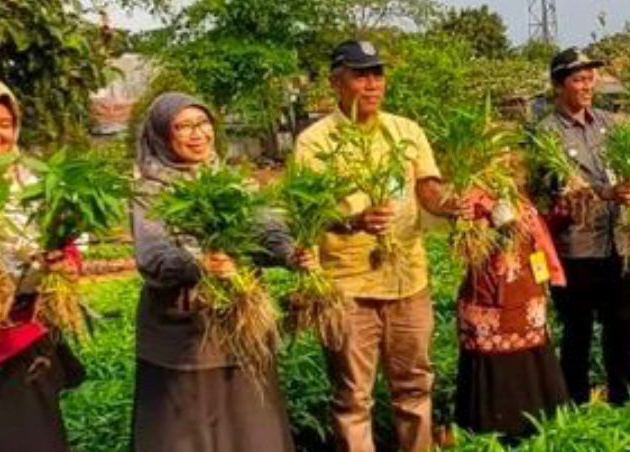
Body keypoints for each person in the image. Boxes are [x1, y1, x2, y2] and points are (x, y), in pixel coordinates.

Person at [293, 40, 464, 452]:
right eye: (360, 74)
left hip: (409, 281)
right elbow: (306, 215)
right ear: (337, 82)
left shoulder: (405, 130)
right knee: (353, 397)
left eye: (377, 74)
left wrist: (455, 206)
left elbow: (429, 192)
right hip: (349, 288)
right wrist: (355, 221)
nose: (372, 84)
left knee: (415, 386)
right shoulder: (315, 142)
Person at [130, 93, 301, 452]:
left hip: (241, 332)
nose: (197, 134)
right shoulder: (148, 188)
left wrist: (289, 253)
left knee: (250, 429)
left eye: (203, 123)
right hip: (183, 339)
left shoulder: (231, 180)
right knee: (186, 434)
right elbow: (153, 256)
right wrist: (199, 263)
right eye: (183, 126)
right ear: (162, 134)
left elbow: (266, 228)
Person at [0, 77, 82, 452]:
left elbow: (65, 242)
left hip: (22, 347)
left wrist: (64, 264)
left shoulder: (32, 183)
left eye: (4, 123)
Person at [537, 48, 630, 404]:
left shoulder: (608, 123)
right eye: (578, 79)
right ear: (558, 85)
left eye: (590, 78)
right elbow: (548, 184)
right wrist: (602, 191)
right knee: (577, 332)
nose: (587, 86)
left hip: (615, 243)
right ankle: (575, 405)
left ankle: (626, 401)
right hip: (575, 247)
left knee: (623, 327)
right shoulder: (546, 132)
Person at [453, 181, 568, 442]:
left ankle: (538, 432)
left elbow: (540, 234)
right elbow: (463, 244)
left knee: (530, 364)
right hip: (489, 295)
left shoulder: (519, 195)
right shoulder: (468, 199)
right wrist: (493, 221)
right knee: (496, 367)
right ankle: (495, 435)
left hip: (526, 293)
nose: (504, 157)